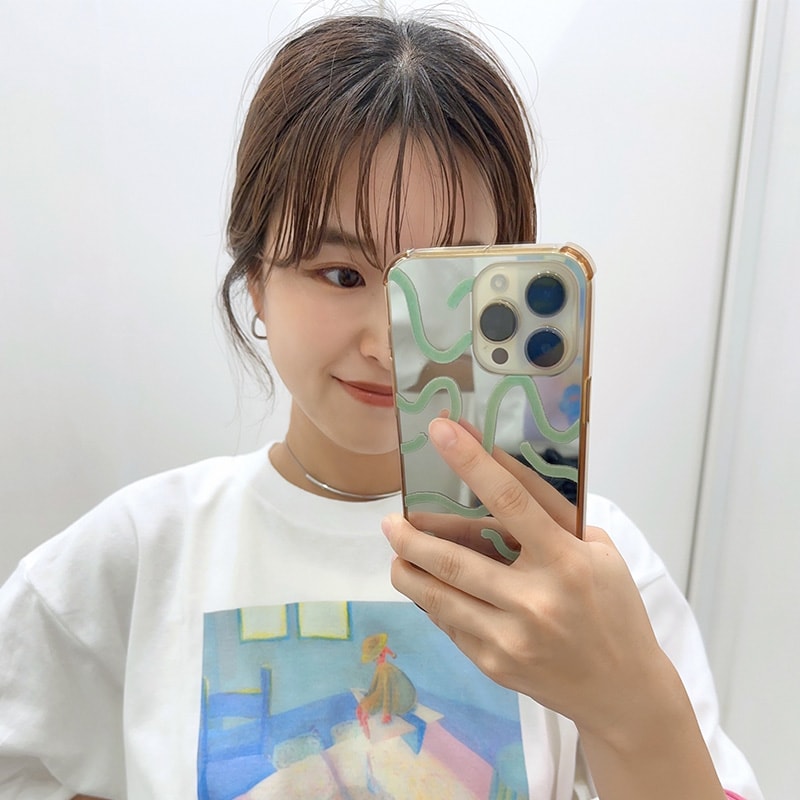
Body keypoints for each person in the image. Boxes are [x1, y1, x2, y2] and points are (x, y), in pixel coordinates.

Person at [0, 13, 762, 800]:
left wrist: (629, 705)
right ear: (256, 277)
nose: (390, 344)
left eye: (439, 281)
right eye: (341, 274)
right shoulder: (136, 556)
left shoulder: (590, 567)